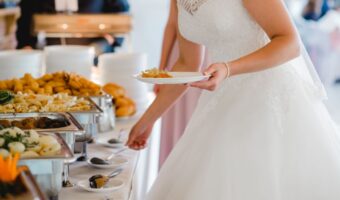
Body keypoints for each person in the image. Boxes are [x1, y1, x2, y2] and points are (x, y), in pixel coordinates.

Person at [127, 0, 340, 199]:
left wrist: (229, 68)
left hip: (270, 94)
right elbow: (187, 64)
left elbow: (290, 42)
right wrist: (148, 119)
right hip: (223, 95)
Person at [155, 1, 208, 168]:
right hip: (180, 59)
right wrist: (161, 71)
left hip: (212, 60)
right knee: (176, 119)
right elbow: (172, 23)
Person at [16, 0, 129, 56]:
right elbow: (25, 19)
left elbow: (120, 14)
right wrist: (26, 46)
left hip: (95, 57)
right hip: (53, 56)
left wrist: (106, 42)